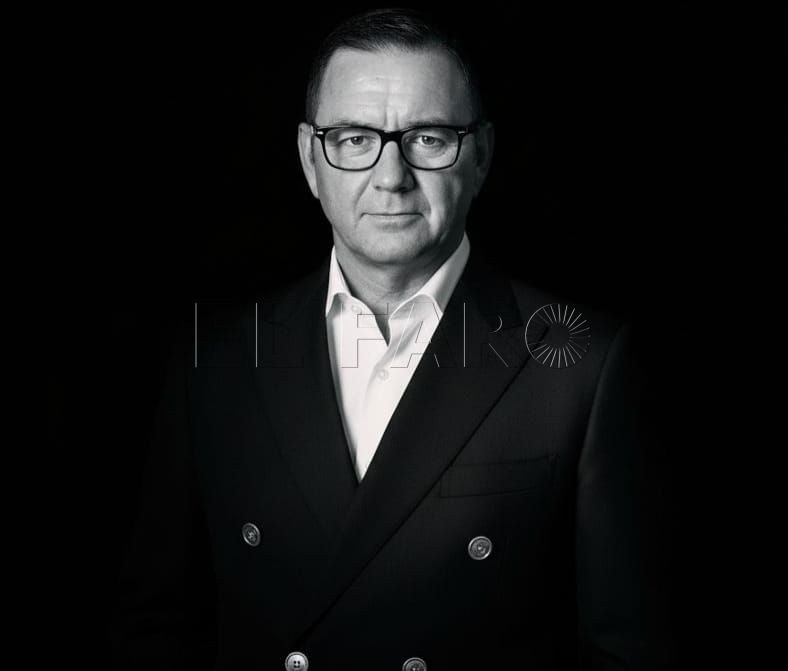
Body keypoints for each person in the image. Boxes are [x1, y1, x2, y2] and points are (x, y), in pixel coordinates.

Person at [110, 8, 675, 669]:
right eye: (354, 139)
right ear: (310, 159)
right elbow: (156, 628)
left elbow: (628, 651)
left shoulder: (581, 365)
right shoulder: (215, 357)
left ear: (481, 155)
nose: (390, 176)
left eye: (428, 138)